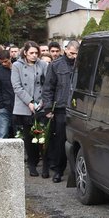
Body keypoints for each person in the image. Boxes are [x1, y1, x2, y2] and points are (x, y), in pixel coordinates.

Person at [42, 40, 78, 183]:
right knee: (60, 141)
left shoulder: (81, 64)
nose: (74, 56)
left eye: (76, 54)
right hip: (61, 108)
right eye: (72, 53)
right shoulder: (55, 65)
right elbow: (48, 88)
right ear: (66, 50)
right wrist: (48, 108)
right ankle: (58, 170)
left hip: (76, 108)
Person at [12, 41, 48, 177]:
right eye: (31, 53)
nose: (34, 55)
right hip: (25, 106)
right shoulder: (17, 66)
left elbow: (47, 84)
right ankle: (32, 164)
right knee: (29, 137)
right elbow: (17, 86)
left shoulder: (43, 65)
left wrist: (43, 101)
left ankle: (45, 164)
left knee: (43, 137)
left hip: (41, 105)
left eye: (36, 53)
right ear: (25, 53)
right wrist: (29, 102)